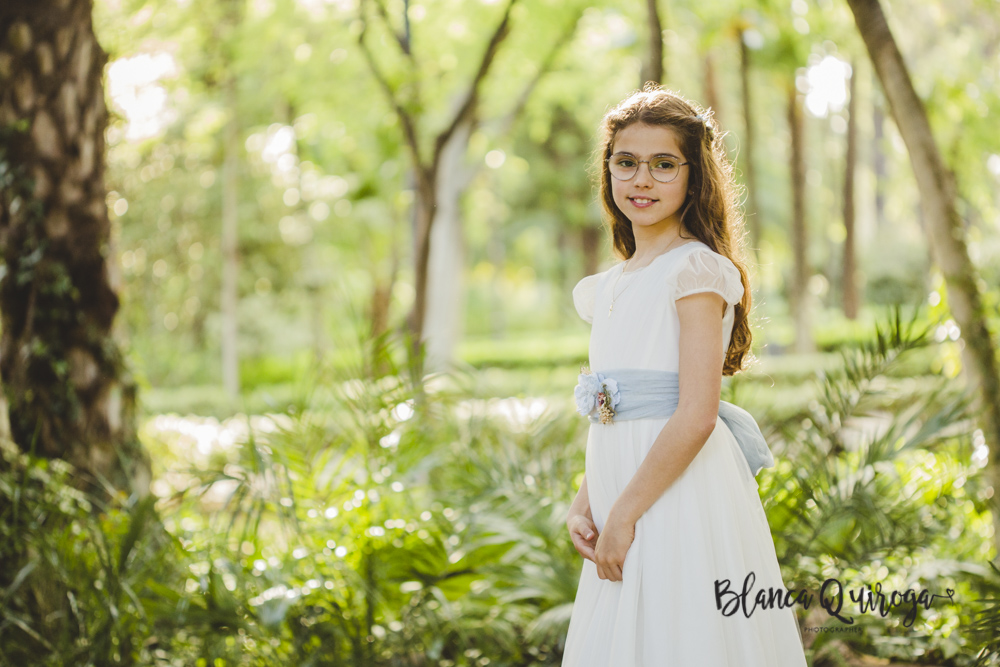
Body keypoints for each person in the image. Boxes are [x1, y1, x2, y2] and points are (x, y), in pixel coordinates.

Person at [561, 85, 809, 666]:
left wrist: (623, 514)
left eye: (663, 164)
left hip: (676, 491)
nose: (641, 179)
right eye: (627, 163)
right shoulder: (613, 283)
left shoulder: (694, 268)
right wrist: (587, 503)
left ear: (693, 177)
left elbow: (696, 413)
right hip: (621, 486)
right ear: (609, 173)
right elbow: (611, 412)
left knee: (682, 636)